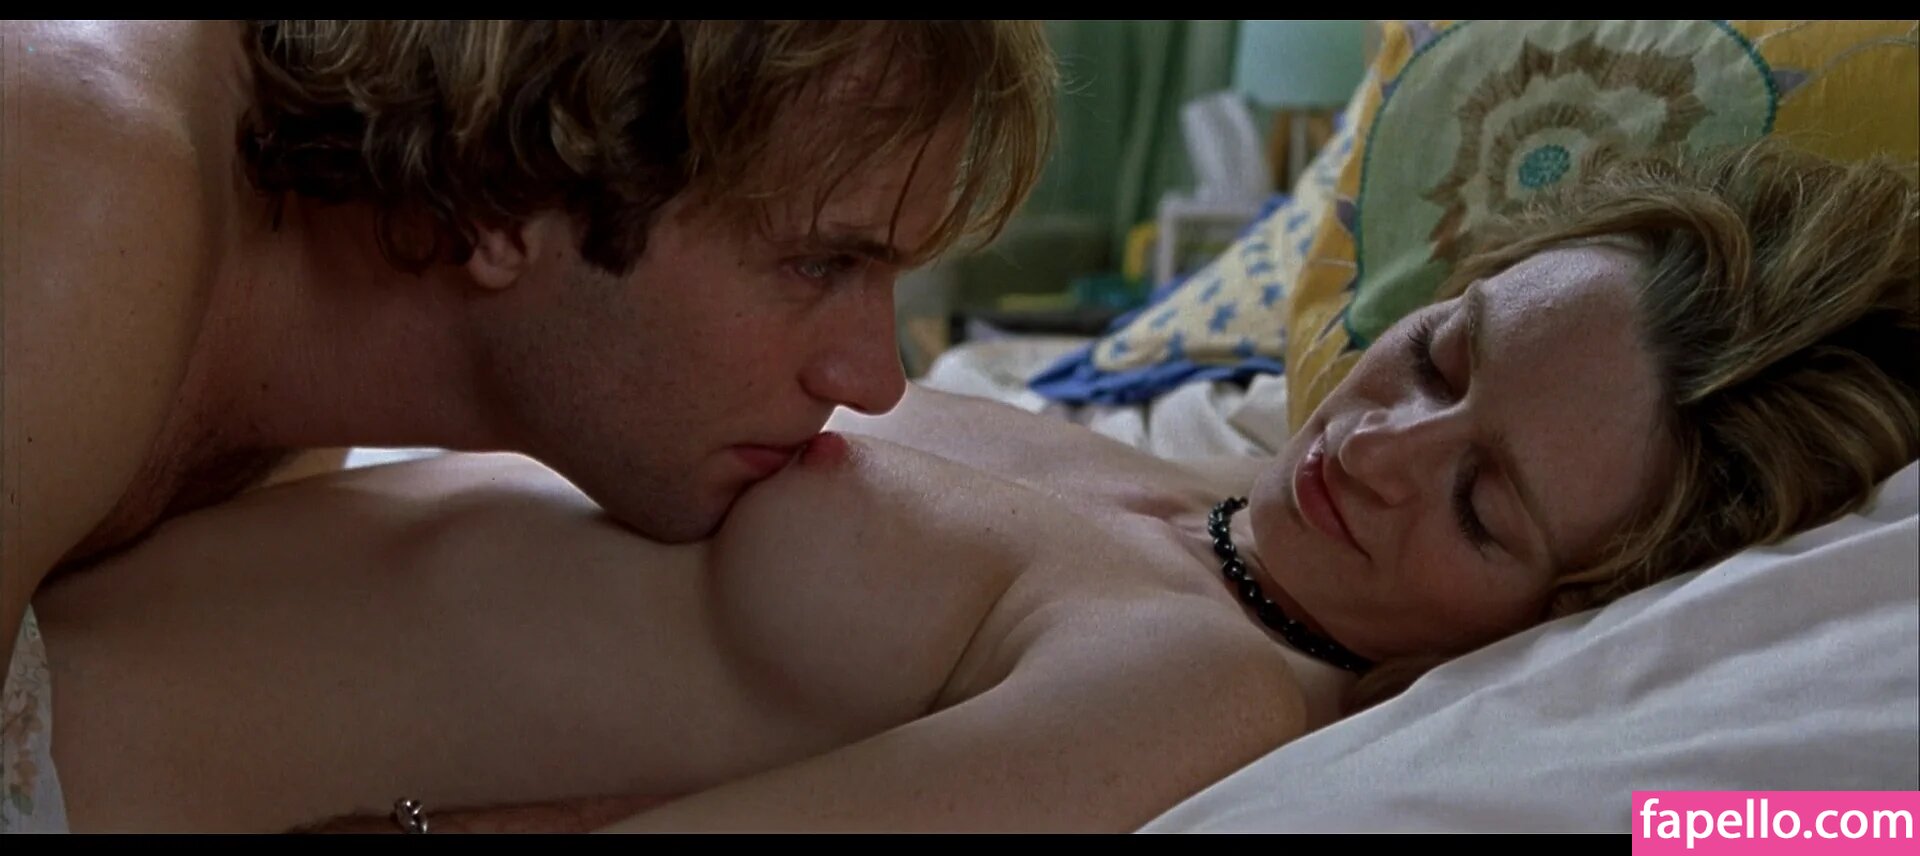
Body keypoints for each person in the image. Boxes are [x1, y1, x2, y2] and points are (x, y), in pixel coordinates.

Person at [23, 141, 1918, 833]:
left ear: (1557, 612)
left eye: (1486, 506)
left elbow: (1794, 809)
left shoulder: (1193, 686)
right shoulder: (1157, 481)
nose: (1383, 445)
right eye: (1441, 357)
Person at [1, 20, 1058, 707]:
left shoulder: (297, 359)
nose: (874, 381)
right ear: (508, 196)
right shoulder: (84, 195)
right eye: (818, 263)